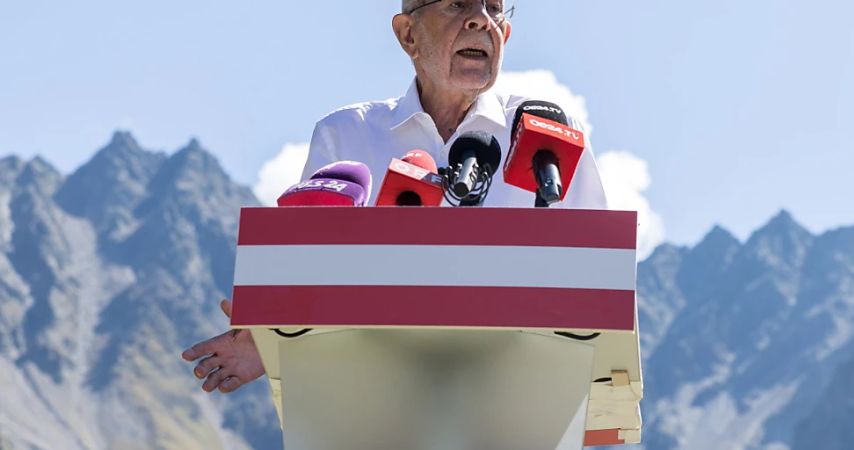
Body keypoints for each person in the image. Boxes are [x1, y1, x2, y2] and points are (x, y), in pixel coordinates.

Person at [182, 0, 608, 394]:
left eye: (493, 7)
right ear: (408, 34)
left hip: (521, 403)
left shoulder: (547, 135)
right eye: (456, 3)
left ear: (506, 34)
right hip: (375, 405)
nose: (480, 19)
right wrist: (273, 337)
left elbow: (600, 289)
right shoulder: (346, 136)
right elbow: (314, 282)